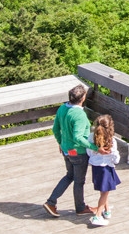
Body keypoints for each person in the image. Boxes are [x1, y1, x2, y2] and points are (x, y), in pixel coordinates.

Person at [43, 84, 101, 217]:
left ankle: (51, 202)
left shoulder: (62, 108)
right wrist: (95, 148)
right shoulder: (79, 115)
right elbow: (78, 137)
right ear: (83, 97)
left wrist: (61, 142)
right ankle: (80, 208)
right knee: (79, 181)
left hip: (66, 150)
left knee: (69, 176)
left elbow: (55, 129)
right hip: (78, 153)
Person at [87, 114, 121, 226]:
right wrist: (113, 153)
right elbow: (116, 160)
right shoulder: (111, 140)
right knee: (104, 193)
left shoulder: (91, 137)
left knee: (104, 190)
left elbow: (88, 152)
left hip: (96, 168)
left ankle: (107, 211)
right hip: (106, 168)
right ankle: (97, 216)